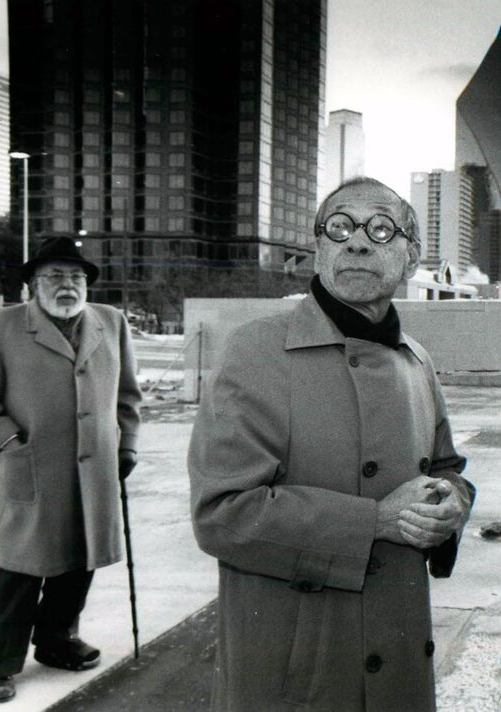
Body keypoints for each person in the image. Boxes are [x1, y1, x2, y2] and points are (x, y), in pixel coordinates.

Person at [188, 177, 475, 712]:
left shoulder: (416, 359)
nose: (358, 242)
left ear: (412, 259)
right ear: (319, 249)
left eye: (382, 229)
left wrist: (454, 503)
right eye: (340, 226)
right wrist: (377, 523)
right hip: (298, 667)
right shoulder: (257, 350)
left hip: (400, 651)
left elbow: (445, 468)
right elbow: (222, 514)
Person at [0, 236, 142, 703]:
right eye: (55, 276)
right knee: (22, 569)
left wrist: (127, 446)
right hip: (34, 467)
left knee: (80, 561)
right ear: (33, 285)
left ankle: (57, 641)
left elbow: (127, 396)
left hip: (96, 469)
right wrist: (9, 445)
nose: (68, 285)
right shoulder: (0, 327)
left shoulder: (112, 322)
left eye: (76, 276)